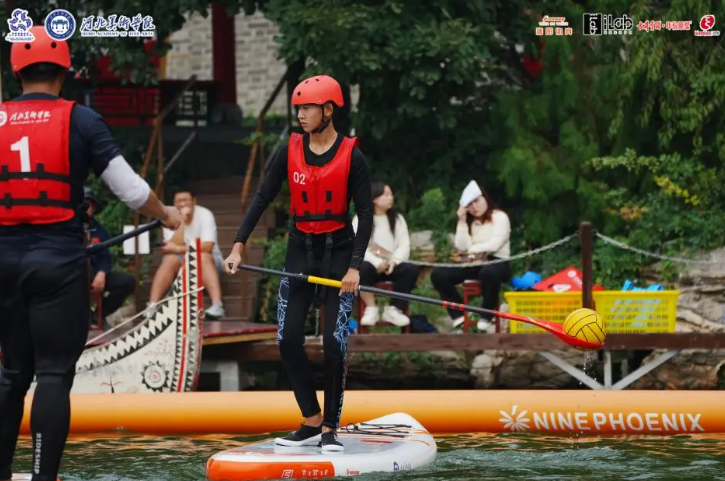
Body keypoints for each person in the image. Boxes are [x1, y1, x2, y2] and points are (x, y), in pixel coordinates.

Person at [0, 26, 181, 481]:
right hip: (58, 264)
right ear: (65, 73)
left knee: (11, 373)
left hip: (3, 264)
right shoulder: (81, 120)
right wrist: (165, 215)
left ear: (16, 73)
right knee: (53, 375)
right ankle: (43, 476)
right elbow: (130, 190)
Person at [224, 75, 373, 452]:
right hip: (299, 251)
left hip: (339, 254)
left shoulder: (352, 155)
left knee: (334, 343)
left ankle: (331, 427)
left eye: (308, 108)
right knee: (287, 338)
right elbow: (262, 196)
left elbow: (366, 215)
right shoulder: (288, 149)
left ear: (328, 110)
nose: (301, 115)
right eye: (299, 108)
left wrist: (355, 267)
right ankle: (311, 420)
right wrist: (238, 245)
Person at [430, 180, 511, 331]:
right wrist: (462, 221)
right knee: (439, 274)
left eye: (477, 201)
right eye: (470, 204)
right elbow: (462, 247)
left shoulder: (500, 217)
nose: (474, 207)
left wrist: (472, 249)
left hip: (497, 262)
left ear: (485, 198)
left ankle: (487, 314)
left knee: (488, 272)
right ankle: (458, 313)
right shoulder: (470, 222)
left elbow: (494, 245)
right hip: (474, 263)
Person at [147, 184, 226, 320]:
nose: (182, 204)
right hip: (182, 262)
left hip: (211, 262)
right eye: (178, 201)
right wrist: (182, 221)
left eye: (185, 200)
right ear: (174, 203)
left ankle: (217, 305)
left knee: (203, 256)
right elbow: (172, 244)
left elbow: (207, 247)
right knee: (170, 259)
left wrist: (178, 249)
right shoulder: (169, 217)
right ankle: (152, 306)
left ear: (194, 201)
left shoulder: (205, 214)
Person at [352, 181, 420, 327]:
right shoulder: (361, 219)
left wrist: (393, 262)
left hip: (391, 265)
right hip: (371, 266)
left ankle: (394, 309)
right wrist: (377, 263)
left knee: (411, 269)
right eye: (386, 194)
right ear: (374, 199)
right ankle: (371, 308)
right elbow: (357, 247)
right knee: (362, 268)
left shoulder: (398, 219)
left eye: (391, 194)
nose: (391, 198)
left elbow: (404, 245)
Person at [83, 186, 137, 330]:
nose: (85, 207)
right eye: (82, 203)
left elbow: (105, 256)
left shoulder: (99, 230)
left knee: (127, 282)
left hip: (95, 275)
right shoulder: (66, 228)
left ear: (93, 208)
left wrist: (102, 273)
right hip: (73, 276)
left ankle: (98, 316)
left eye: (89, 204)